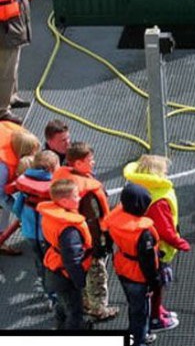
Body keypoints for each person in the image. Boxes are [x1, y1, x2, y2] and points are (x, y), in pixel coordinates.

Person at [52, 141, 119, 319]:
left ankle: (86, 301)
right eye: (90, 160)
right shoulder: (88, 195)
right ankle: (98, 309)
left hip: (75, 240)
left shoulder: (63, 179)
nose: (93, 162)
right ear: (78, 164)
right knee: (97, 275)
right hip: (90, 242)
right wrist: (100, 245)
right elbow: (94, 222)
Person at [123, 154, 189, 332]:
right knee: (157, 284)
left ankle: (157, 309)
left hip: (140, 246)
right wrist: (180, 242)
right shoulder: (158, 199)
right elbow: (164, 229)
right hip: (157, 250)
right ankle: (155, 318)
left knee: (154, 284)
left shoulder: (136, 188)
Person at [104, 183, 161, 346]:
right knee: (139, 312)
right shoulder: (143, 233)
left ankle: (142, 335)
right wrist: (154, 282)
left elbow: (107, 239)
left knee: (136, 306)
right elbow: (148, 263)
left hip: (123, 266)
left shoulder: (115, 219)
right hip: (138, 274)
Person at [38, 179, 92, 329]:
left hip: (54, 269)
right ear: (64, 201)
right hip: (65, 276)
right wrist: (80, 281)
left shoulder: (51, 217)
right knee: (75, 312)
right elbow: (72, 260)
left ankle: (60, 325)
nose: (79, 198)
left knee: (62, 305)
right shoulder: (69, 230)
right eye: (75, 196)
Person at [13, 150, 60, 308]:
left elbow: (16, 208)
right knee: (53, 263)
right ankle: (55, 296)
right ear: (51, 169)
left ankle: (48, 292)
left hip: (29, 233)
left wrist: (25, 221)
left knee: (40, 263)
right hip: (47, 235)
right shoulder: (54, 187)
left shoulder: (26, 187)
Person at [0, 0, 32, 125]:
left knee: (14, 65)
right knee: (5, 70)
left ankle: (12, 96)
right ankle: (3, 109)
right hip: (4, 30)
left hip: (16, 26)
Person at [0, 122, 39, 255]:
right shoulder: (3, 168)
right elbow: (2, 196)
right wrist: (22, 214)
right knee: (3, 202)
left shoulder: (18, 135)